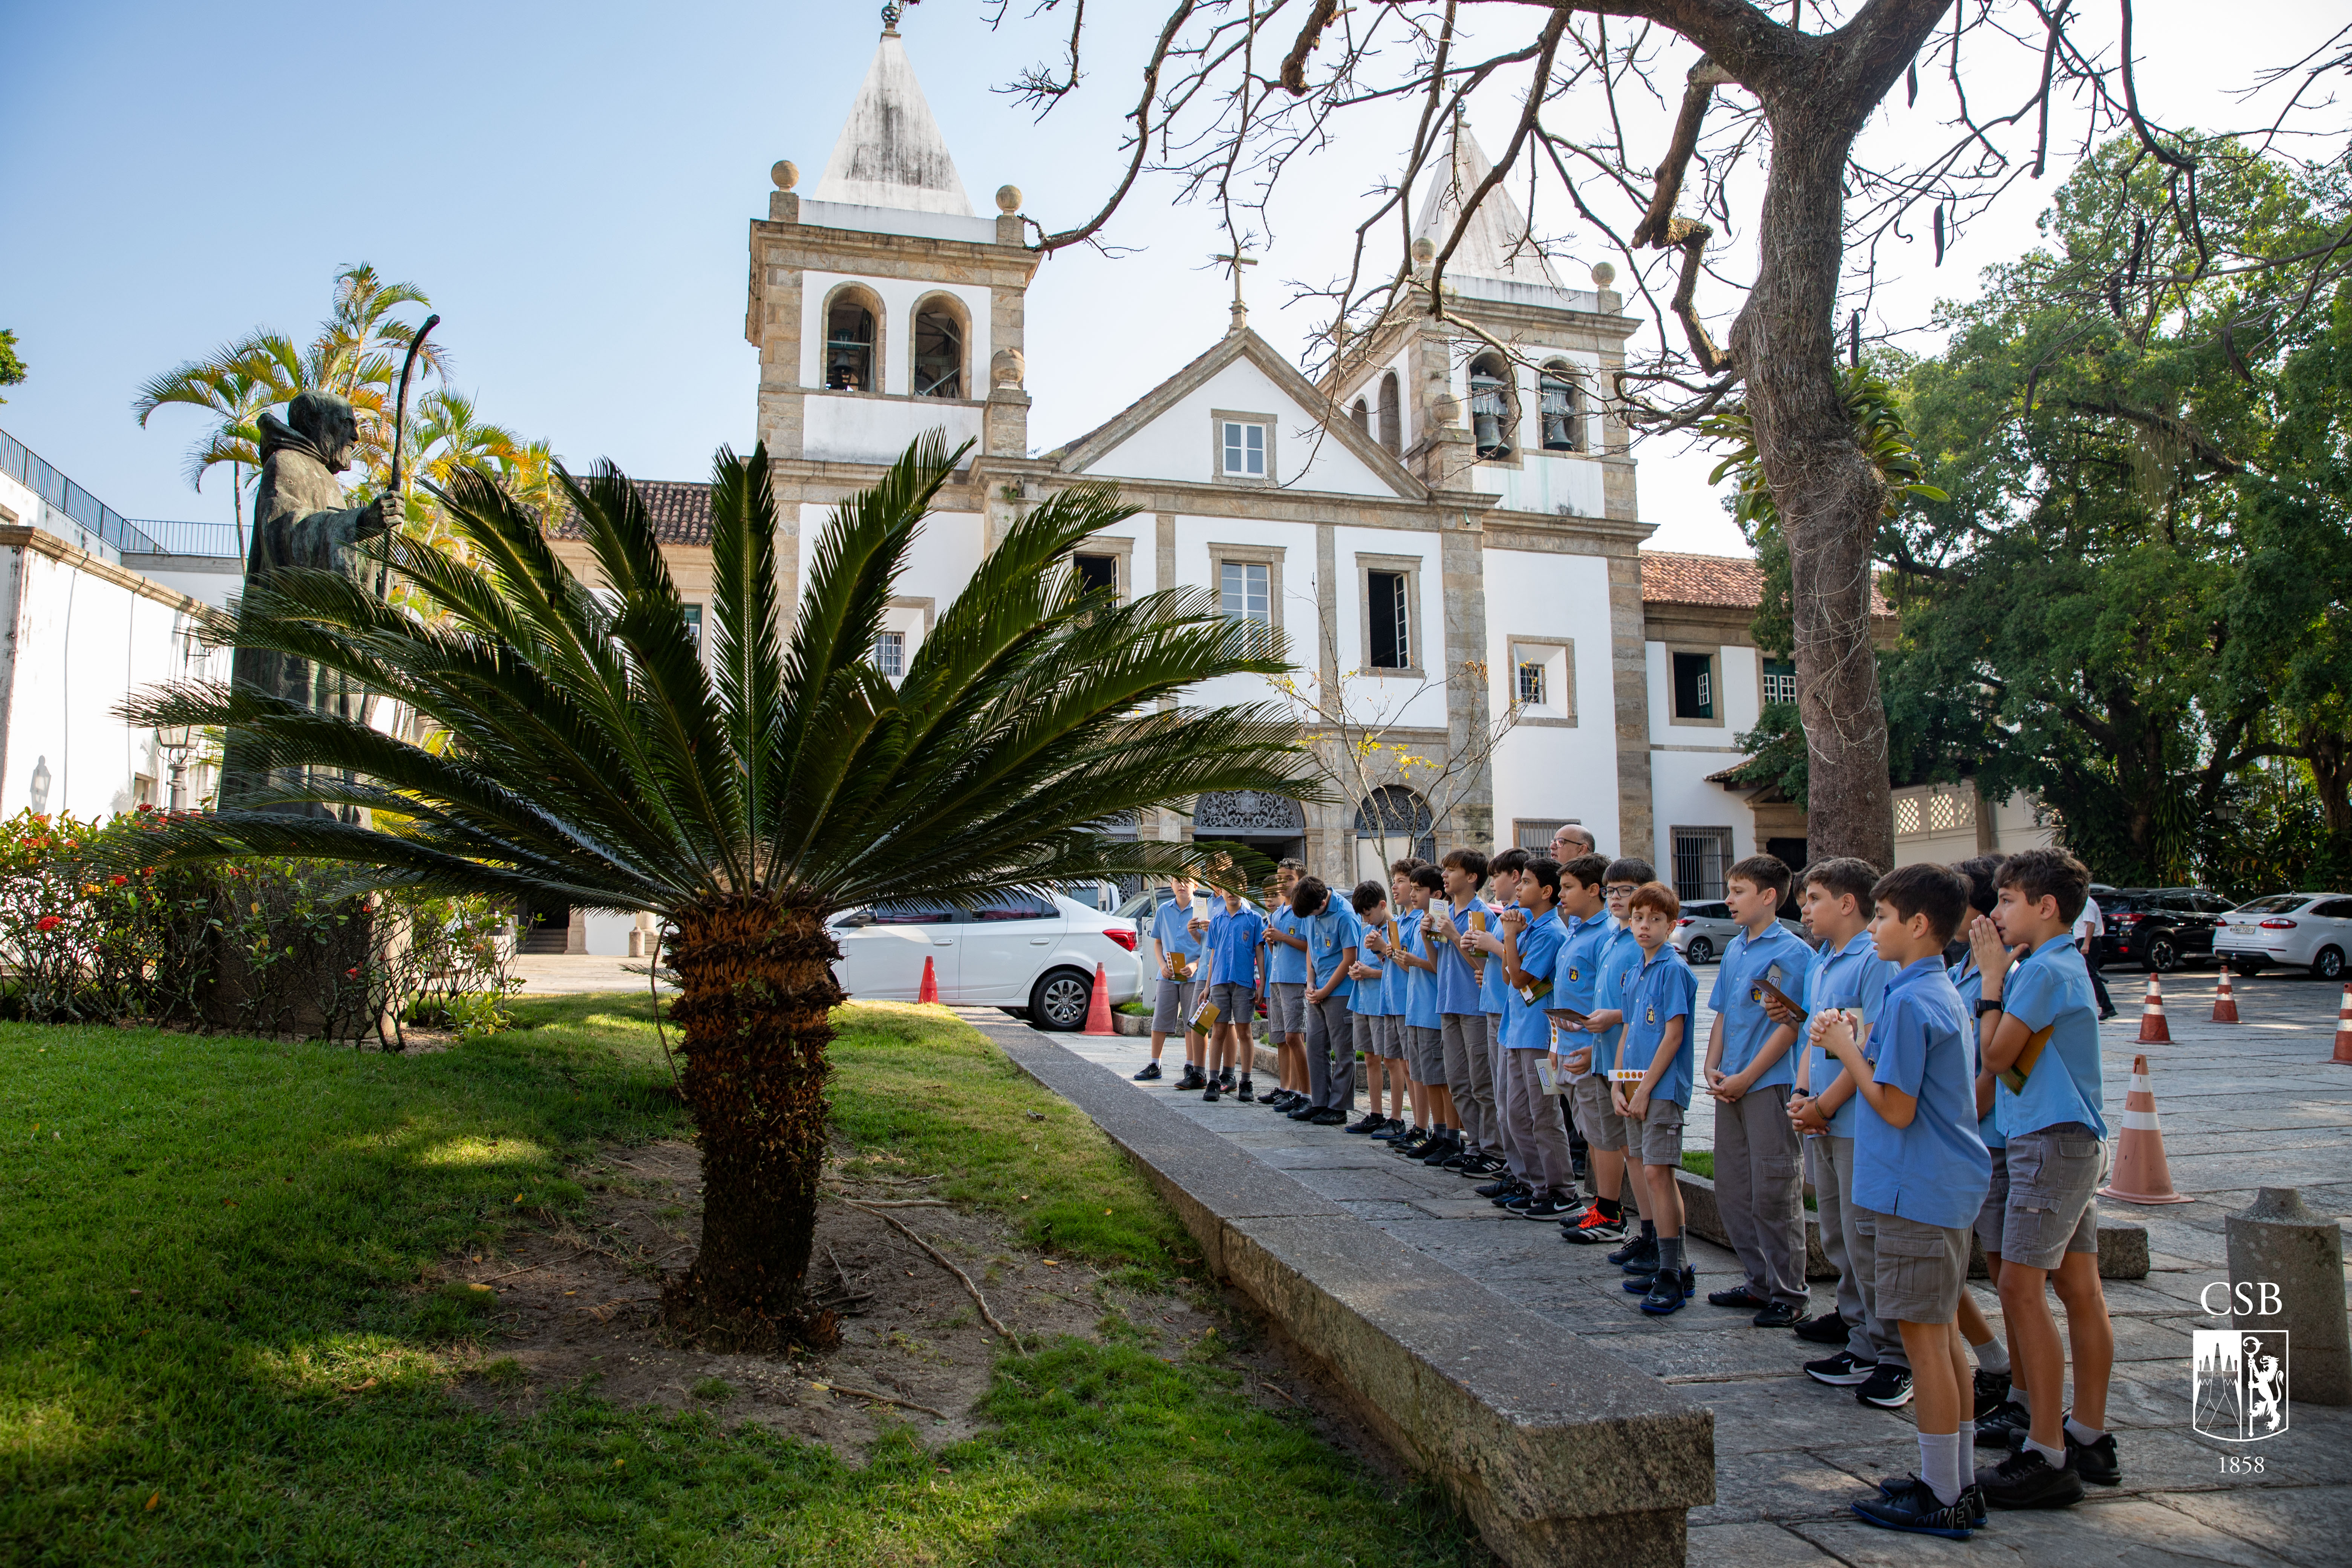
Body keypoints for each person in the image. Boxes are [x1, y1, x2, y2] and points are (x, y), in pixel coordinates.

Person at [1814, 862, 1991, 1537]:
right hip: (1928, 1184)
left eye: (1884, 917)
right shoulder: (1923, 989)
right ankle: (1956, 1479)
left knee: (1925, 1342)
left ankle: (1944, 1492)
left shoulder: (1914, 1000)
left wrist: (1843, 1047)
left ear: (1918, 925)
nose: (1876, 929)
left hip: (1920, 1186)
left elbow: (1894, 1105)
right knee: (1940, 1337)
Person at [1971, 848, 2118, 1509]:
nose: (1997, 913)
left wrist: (1991, 983)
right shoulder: (2060, 964)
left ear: (2045, 907)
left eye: (2006, 901)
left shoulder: (2038, 972)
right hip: (2071, 1139)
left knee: (2019, 1286)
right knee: (2079, 1287)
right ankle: (2086, 1430)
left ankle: (2047, 1452)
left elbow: (1999, 1056)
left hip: (2050, 1142)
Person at [1783, 857, 1906, 1406]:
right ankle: (1859, 1333)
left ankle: (1892, 1353)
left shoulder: (1873, 960)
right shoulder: (1824, 960)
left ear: (1848, 904)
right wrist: (1804, 1095)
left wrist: (1826, 1104)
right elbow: (1817, 1035)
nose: (1804, 909)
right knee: (1836, 1232)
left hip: (1856, 1120)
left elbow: (1872, 1047)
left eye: (1813, 899)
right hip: (1822, 1115)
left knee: (1865, 1236)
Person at [1701, 853, 1814, 1329]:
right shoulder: (1735, 948)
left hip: (1768, 1083)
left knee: (1774, 1190)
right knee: (1733, 1187)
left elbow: (1788, 1027)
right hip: (1731, 1081)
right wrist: (1711, 1065)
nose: (1728, 899)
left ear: (1768, 896)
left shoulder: (1791, 952)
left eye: (1738, 890)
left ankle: (1788, 1292)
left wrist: (1747, 1075)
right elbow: (1725, 1012)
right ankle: (1757, 1280)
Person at [1947, 856, 2019, 1427]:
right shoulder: (1960, 972)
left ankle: (2014, 1382)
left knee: (2006, 1275)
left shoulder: (2008, 977)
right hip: (1965, 1137)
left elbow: (1993, 1067)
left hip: (1988, 1138)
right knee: (1951, 1268)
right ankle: (1997, 1362)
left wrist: (1961, 1119)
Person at [1616, 881, 1698, 1314]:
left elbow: (1674, 1033)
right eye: (1638, 918)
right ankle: (1671, 1264)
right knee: (1647, 1168)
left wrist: (1646, 1087)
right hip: (1634, 1085)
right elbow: (1629, 1029)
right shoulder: (1635, 971)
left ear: (1670, 923)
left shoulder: (1674, 970)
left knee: (1658, 1173)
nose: (1644, 926)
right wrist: (1619, 1082)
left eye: (1655, 919)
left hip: (1661, 1088)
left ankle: (1673, 1268)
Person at [1560, 859, 1646, 1246]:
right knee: (1604, 1136)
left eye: (1625, 890)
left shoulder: (1640, 945)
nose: (1616, 898)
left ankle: (1651, 1234)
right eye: (1612, 890)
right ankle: (1609, 1210)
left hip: (1629, 1064)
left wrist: (1613, 1017)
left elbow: (1650, 1006)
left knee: (1636, 1150)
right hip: (1602, 1055)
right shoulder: (1614, 939)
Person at [1495, 856, 1576, 1219]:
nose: (1518, 888)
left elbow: (1521, 979)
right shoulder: (1529, 927)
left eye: (1526, 882)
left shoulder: (1550, 932)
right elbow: (1506, 972)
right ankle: (1532, 1182)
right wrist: (1512, 936)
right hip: (1517, 1030)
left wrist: (1509, 936)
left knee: (1543, 1113)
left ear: (1546, 891)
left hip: (1540, 1036)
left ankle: (1561, 1188)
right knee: (1515, 1112)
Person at [1430, 850, 1504, 1178]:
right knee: (1459, 1081)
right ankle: (1474, 1145)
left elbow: (1485, 969)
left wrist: (1455, 936)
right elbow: (1437, 966)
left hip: (1474, 1006)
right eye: (1445, 870)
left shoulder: (1481, 915)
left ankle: (1492, 1150)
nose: (1445, 876)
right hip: (1448, 1003)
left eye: (1452, 870)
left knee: (1481, 1083)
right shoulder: (1444, 912)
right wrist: (1428, 936)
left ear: (1472, 877)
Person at [1465, 847, 1531, 1203]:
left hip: (1516, 1016)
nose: (1495, 884)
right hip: (1496, 1007)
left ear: (1517, 878)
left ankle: (1528, 1175)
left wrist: (1493, 945)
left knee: (1520, 1104)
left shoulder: (1523, 919)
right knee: (1504, 1098)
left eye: (1499, 876)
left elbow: (1522, 970)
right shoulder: (1502, 914)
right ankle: (1514, 1170)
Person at [1394, 863, 1459, 1166]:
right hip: (1416, 1008)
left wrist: (1416, 960)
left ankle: (1452, 1136)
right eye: (1414, 888)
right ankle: (1438, 1131)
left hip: (1433, 1009)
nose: (1414, 893)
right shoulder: (1420, 921)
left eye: (1419, 889)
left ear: (1435, 894)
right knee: (1426, 1076)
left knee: (1441, 1077)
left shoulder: (1440, 922)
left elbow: (1439, 967)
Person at [1289, 876, 1361, 1127]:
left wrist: (1326, 990)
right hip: (1317, 986)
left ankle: (1339, 1107)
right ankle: (1320, 1102)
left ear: (1322, 902)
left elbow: (1350, 958)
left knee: (1343, 1051)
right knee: (1316, 1046)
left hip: (1340, 990)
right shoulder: (1310, 911)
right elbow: (1310, 947)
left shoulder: (1345, 915)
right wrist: (1310, 983)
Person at [1197, 878, 1267, 1103]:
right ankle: (1214, 1081)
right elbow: (1213, 957)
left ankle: (1246, 1082)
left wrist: (1261, 983)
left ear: (1244, 890)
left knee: (1245, 1032)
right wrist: (1207, 987)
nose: (1231, 894)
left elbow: (1259, 953)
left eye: (1236, 889)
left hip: (1244, 983)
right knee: (1218, 1032)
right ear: (1221, 891)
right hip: (1219, 982)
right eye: (1227, 889)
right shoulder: (1217, 920)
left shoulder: (1254, 919)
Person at [1346, 880, 1407, 1135]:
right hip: (1362, 1000)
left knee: (1392, 1060)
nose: (1365, 918)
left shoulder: (1395, 930)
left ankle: (1396, 1117)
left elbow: (1402, 970)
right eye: (1361, 914)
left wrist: (1371, 972)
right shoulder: (1365, 930)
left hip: (1383, 1003)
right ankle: (1375, 1113)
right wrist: (1356, 971)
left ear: (1383, 905)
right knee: (1370, 1057)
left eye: (1368, 913)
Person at [1136, 875, 1208, 1086]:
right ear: (1171, 885)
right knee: (1160, 1019)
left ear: (1196, 885)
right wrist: (1162, 966)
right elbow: (1158, 943)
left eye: (1187, 881)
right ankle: (1155, 1064)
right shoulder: (1164, 910)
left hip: (1193, 975)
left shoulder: (1202, 909)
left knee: (1191, 1022)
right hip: (1167, 974)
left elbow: (1208, 944)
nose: (1182, 885)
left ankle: (1191, 1065)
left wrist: (1195, 965)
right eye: (1177, 881)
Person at [1262, 858, 1311, 1110]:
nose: (1284, 884)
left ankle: (1307, 1093)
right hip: (1277, 978)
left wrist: (1282, 937)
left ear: (1301, 880)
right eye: (1280, 878)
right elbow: (1277, 949)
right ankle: (1288, 1089)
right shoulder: (1277, 913)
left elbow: (1309, 947)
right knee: (1282, 1037)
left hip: (1296, 979)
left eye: (1289, 879)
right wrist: (1272, 939)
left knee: (1295, 1036)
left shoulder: (1304, 912)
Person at [2073, 892, 2116, 1020]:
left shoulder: (2087, 904)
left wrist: (2086, 944)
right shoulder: (2085, 903)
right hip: (2085, 940)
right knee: (2085, 975)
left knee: (2091, 975)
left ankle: (2107, 1007)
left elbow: (2091, 924)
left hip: (2088, 941)